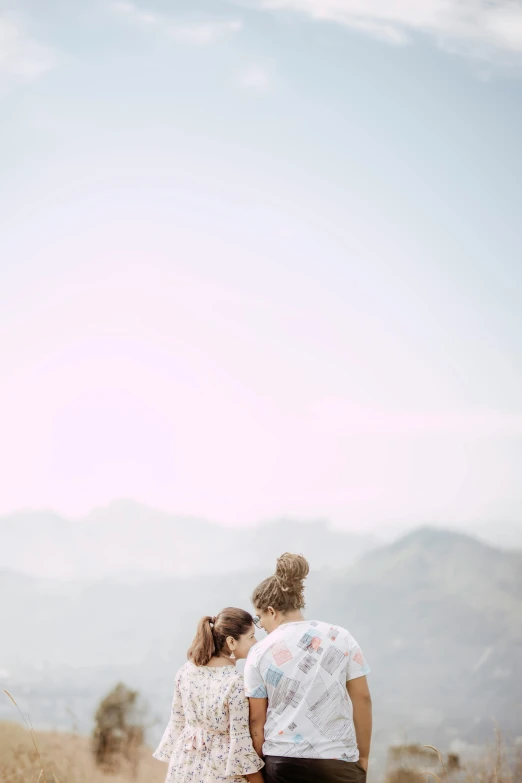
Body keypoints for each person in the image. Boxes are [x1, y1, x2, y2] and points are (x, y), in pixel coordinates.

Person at [244, 554, 372, 783]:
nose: (259, 624)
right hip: (338, 761)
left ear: (272, 611)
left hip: (282, 761)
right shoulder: (341, 637)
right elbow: (362, 698)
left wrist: (261, 768)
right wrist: (362, 757)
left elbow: (257, 719)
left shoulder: (259, 652)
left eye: (259, 617)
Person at [154, 607, 265, 783]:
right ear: (231, 642)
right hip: (220, 772)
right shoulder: (235, 683)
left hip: (184, 766)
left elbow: (177, 722)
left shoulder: (185, 671)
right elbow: (240, 745)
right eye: (251, 637)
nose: (256, 642)